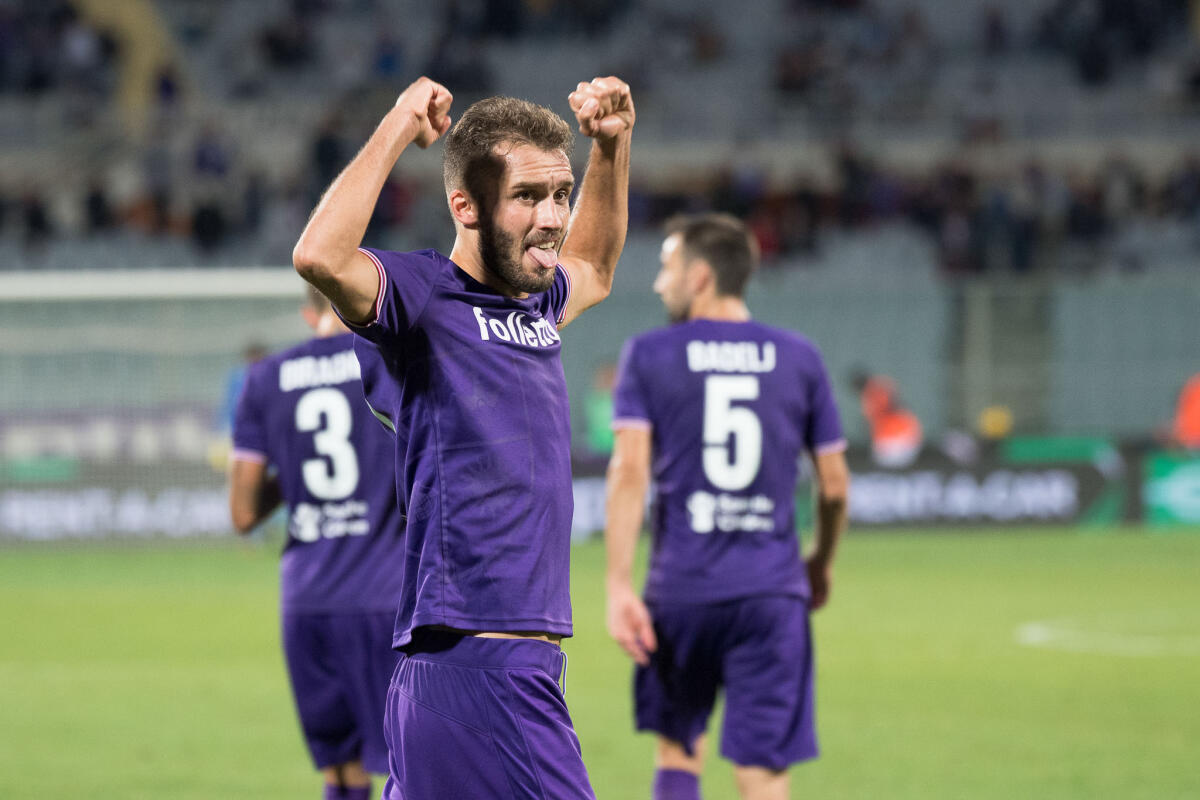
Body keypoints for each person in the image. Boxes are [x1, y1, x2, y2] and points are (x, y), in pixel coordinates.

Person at [291, 74, 634, 799]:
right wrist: (396, 125)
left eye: (561, 193)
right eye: (527, 197)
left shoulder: (535, 305)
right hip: (478, 662)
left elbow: (596, 266)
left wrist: (611, 148)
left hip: (492, 669)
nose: (553, 217)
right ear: (465, 206)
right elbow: (320, 257)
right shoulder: (421, 297)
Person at [605, 214, 850, 800]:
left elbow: (630, 471)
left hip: (681, 593)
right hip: (771, 594)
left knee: (678, 748)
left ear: (701, 277)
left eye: (668, 269)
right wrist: (819, 560)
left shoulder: (649, 354)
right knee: (763, 769)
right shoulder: (800, 357)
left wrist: (618, 585)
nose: (660, 284)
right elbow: (835, 486)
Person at [228, 286, 405, 800]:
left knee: (341, 769)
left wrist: (297, 468)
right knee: (409, 764)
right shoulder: (394, 364)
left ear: (310, 312)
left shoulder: (266, 378)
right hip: (386, 597)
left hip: (307, 602)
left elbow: (242, 515)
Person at [850, 368, 923, 467]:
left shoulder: (879, 388)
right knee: (881, 462)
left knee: (888, 463)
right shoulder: (867, 397)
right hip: (889, 442)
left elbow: (895, 405)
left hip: (902, 439)